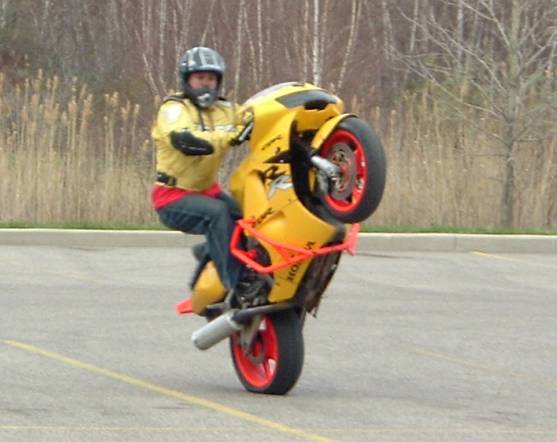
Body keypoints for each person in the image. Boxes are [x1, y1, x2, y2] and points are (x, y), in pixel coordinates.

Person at [151, 46, 253, 294]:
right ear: (187, 81)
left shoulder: (225, 110)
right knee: (218, 214)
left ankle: (208, 252)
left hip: (207, 191)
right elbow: (185, 141)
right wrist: (230, 137)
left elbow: (254, 116)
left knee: (248, 218)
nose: (206, 84)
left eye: (211, 78)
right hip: (172, 197)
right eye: (200, 78)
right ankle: (235, 285)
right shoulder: (174, 109)